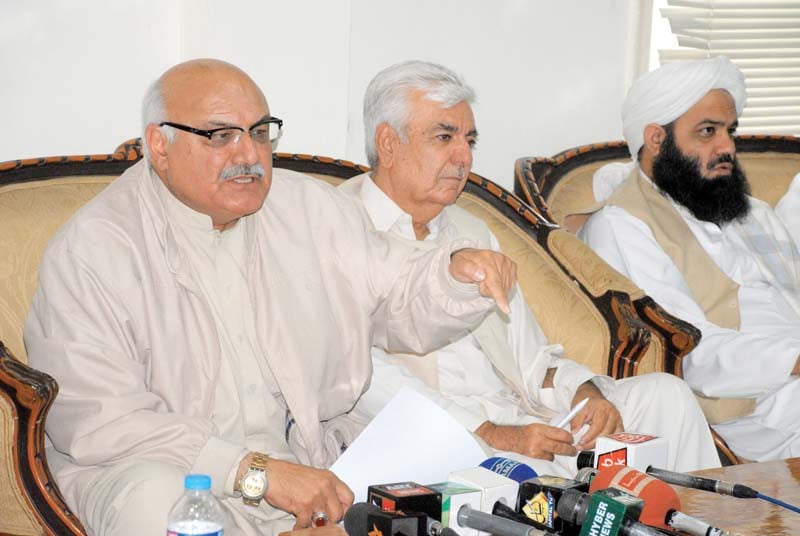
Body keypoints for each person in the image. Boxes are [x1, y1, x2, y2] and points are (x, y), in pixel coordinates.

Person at [23, 59, 518, 536]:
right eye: (221, 136)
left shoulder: (308, 210)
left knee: (458, 472)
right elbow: (103, 421)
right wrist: (254, 473)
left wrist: (452, 273)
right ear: (160, 144)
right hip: (172, 473)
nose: (248, 155)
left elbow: (398, 288)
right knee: (155, 500)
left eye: (260, 133)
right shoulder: (94, 249)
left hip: (310, 462)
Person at [339, 60, 721, 477]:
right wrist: (492, 432)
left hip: (522, 417)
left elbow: (532, 360)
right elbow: (358, 376)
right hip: (437, 437)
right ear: (388, 143)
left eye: (469, 140)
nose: (463, 156)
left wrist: (586, 395)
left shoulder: (471, 229)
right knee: (529, 477)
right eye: (444, 137)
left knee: (668, 397)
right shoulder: (338, 225)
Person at [576, 56, 800, 461]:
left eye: (730, 131)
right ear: (657, 138)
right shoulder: (623, 227)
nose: (727, 147)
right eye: (707, 132)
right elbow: (686, 348)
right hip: (754, 409)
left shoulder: (752, 213)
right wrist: (794, 360)